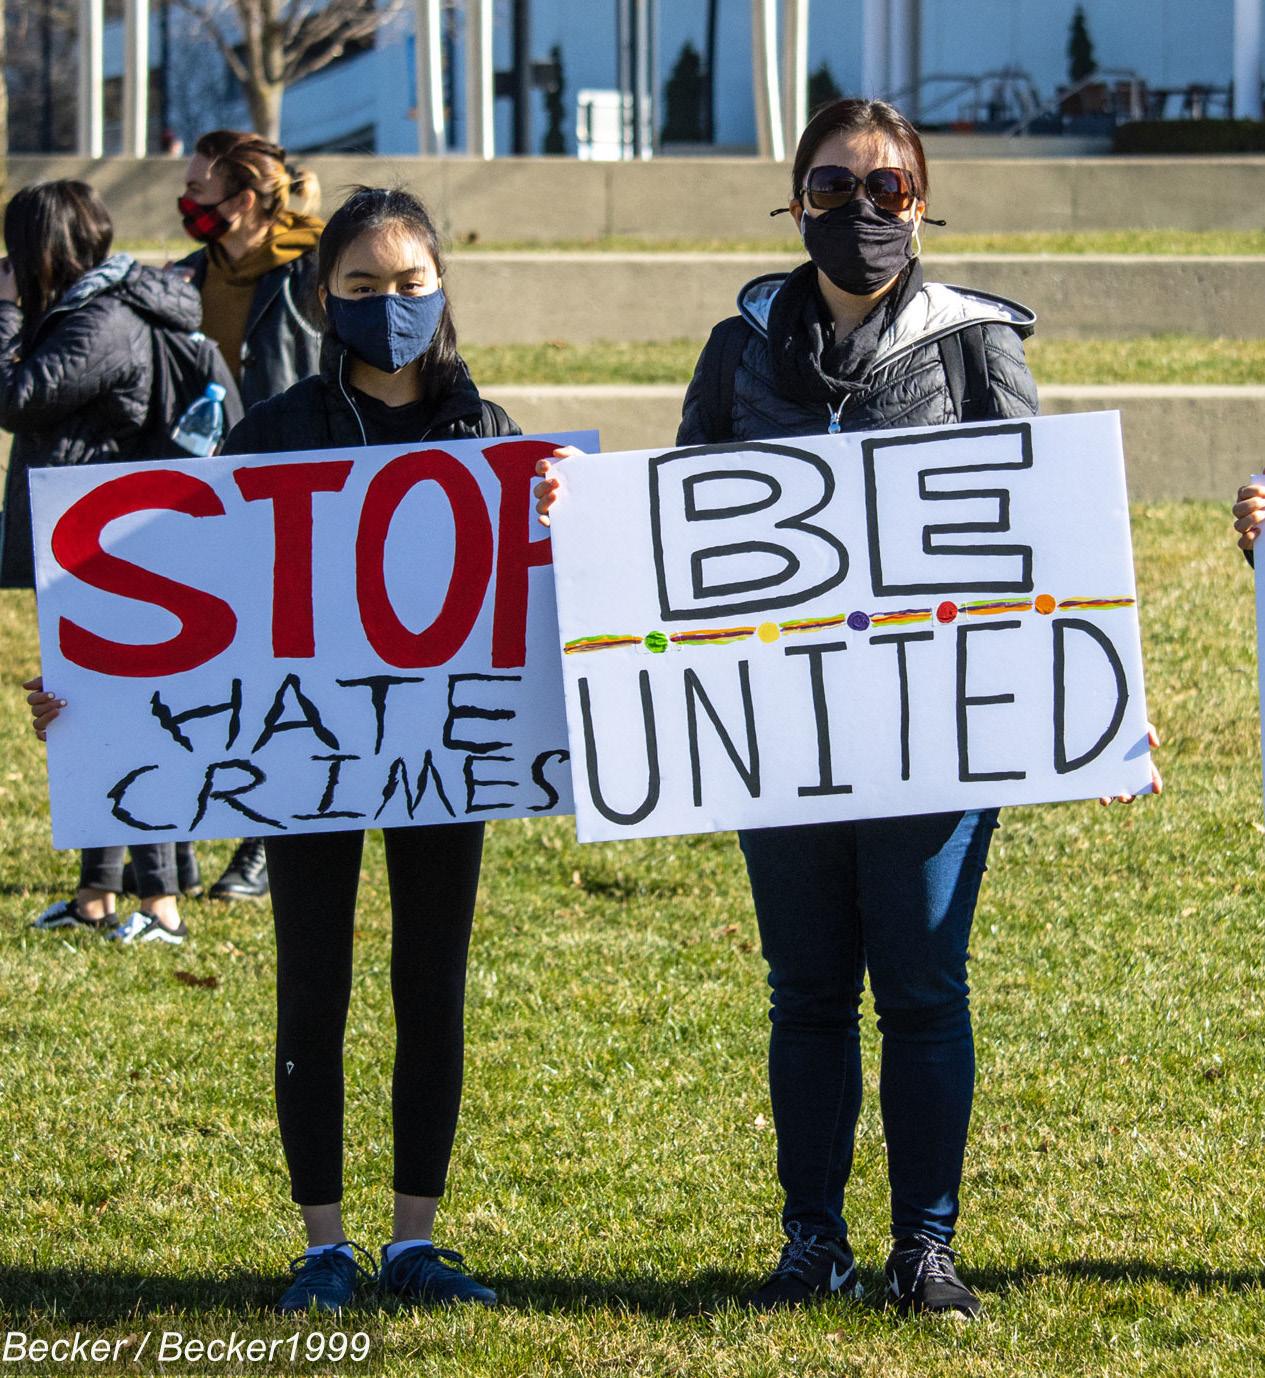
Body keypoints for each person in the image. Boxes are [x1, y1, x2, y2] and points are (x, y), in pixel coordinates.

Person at [536, 98, 1158, 1319]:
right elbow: (676, 527)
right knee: (806, 991)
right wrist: (586, 510)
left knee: (922, 987)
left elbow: (1039, 533)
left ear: (920, 206)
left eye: (885, 189)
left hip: (939, 731)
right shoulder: (738, 348)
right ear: (793, 203)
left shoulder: (974, 344)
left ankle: (923, 1245)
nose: (859, 210)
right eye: (832, 188)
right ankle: (810, 1242)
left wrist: (1087, 703)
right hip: (780, 731)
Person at [30, 184, 559, 1310]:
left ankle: (414, 1242)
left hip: (441, 756)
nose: (389, 304)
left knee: (431, 983)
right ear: (323, 297)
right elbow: (198, 607)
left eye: (409, 283)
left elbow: (549, 606)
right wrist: (89, 695)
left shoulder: (491, 438)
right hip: (303, 756)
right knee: (311, 986)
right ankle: (324, 1244)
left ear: (442, 288)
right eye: (363, 285)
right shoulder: (270, 436)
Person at [0, 180, 207, 943]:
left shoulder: (102, 318)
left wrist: (6, 310)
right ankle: (97, 894)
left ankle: (161, 906)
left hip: (117, 548)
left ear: (41, 249)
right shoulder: (86, 310)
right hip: (88, 545)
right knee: (89, 711)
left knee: (133, 718)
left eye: (13, 250)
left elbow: (14, 398)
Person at [173, 129, 325, 902]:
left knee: (282, 671)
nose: (185, 200)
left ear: (241, 200)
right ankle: (177, 836)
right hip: (205, 495)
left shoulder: (310, 273)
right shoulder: (185, 277)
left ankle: (263, 843)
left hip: (289, 492)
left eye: (198, 188)